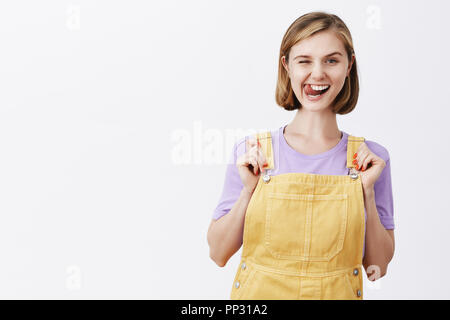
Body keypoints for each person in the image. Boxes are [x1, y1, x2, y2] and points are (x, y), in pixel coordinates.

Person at [207, 11, 395, 300]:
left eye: (331, 60)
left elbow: (377, 266)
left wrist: (367, 191)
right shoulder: (253, 153)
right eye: (304, 61)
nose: (317, 74)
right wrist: (248, 191)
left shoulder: (370, 160)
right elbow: (218, 254)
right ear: (287, 67)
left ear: (349, 66)